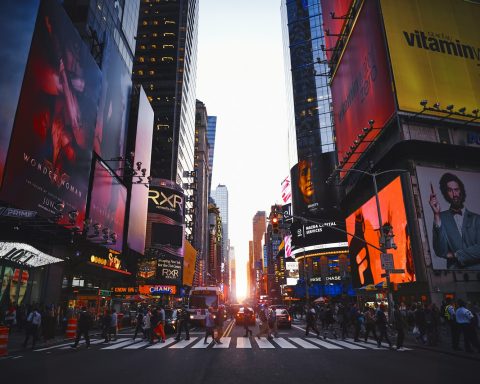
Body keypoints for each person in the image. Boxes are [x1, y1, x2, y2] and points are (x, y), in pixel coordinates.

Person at [429, 173, 480, 269]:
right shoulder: (441, 218)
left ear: (461, 191)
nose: (454, 194)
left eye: (456, 190)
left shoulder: (477, 219)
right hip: (456, 277)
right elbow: (440, 251)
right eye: (450, 190)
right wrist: (436, 215)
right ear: (446, 194)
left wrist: (455, 255)